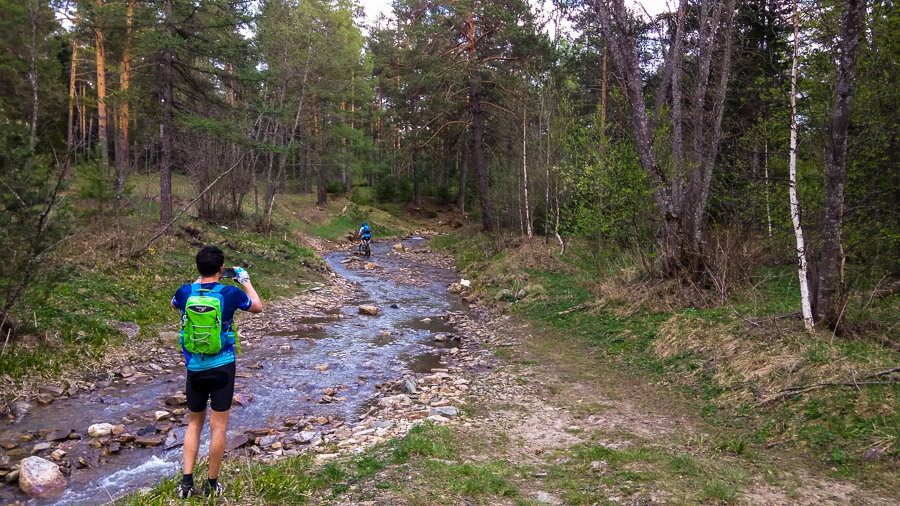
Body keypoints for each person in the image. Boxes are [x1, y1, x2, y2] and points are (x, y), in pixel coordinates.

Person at [171, 246, 262, 498]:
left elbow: (174, 303)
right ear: (222, 269)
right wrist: (245, 281)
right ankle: (211, 485)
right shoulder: (230, 293)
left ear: (197, 268)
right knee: (218, 427)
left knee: (193, 424)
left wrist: (195, 284)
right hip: (222, 367)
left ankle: (186, 485)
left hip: (195, 369)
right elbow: (257, 306)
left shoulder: (185, 291)